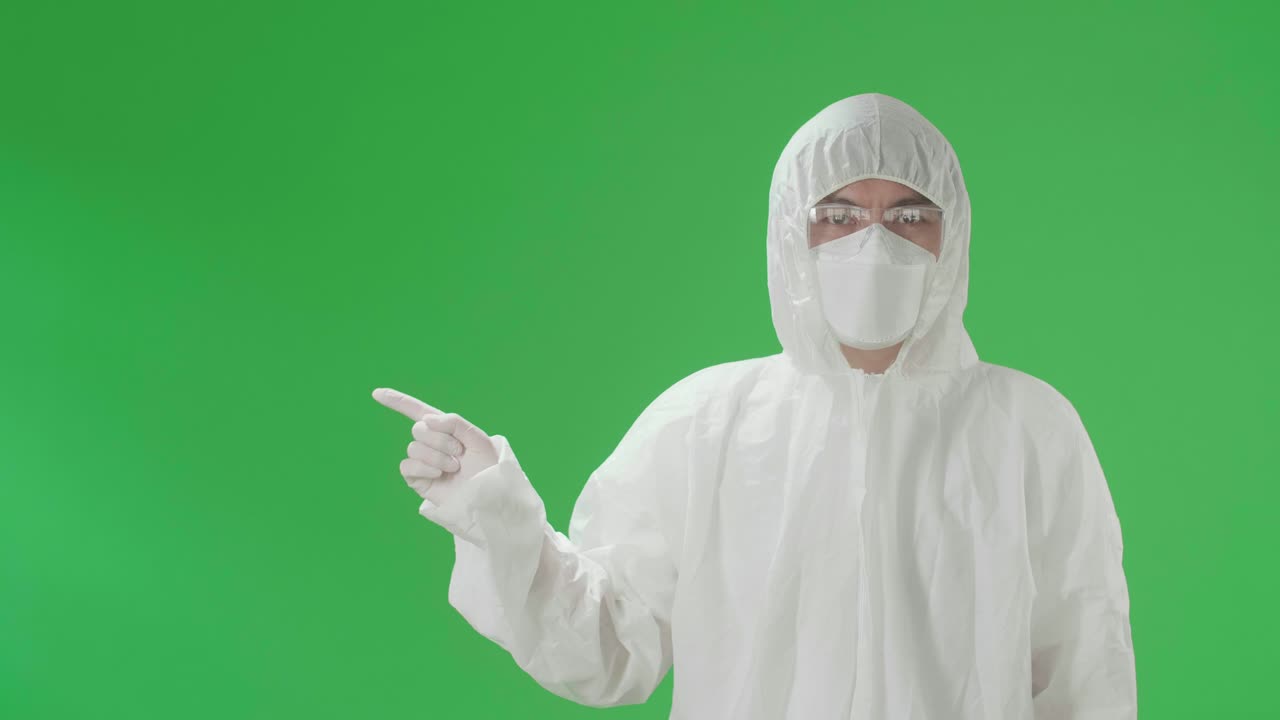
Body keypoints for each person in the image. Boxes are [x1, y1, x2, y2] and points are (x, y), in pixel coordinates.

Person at [372, 92, 1137, 719]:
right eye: (837, 215)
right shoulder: (705, 423)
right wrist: (498, 518)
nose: (873, 244)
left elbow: (1086, 670)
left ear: (953, 233)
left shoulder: (1028, 430)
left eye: (909, 216)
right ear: (788, 233)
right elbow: (608, 653)